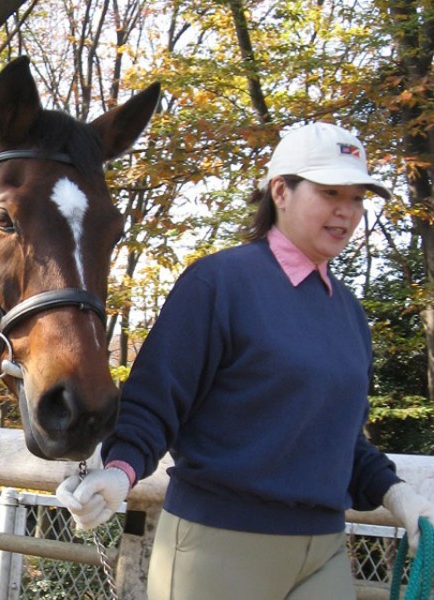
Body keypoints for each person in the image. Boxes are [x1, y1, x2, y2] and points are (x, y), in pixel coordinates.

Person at [56, 122, 434, 599]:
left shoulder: (349, 312)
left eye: (358, 197)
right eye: (331, 191)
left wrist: (399, 496)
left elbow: (337, 436)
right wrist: (119, 472)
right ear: (281, 190)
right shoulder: (218, 284)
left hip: (324, 549)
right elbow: (155, 401)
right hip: (218, 550)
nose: (347, 211)